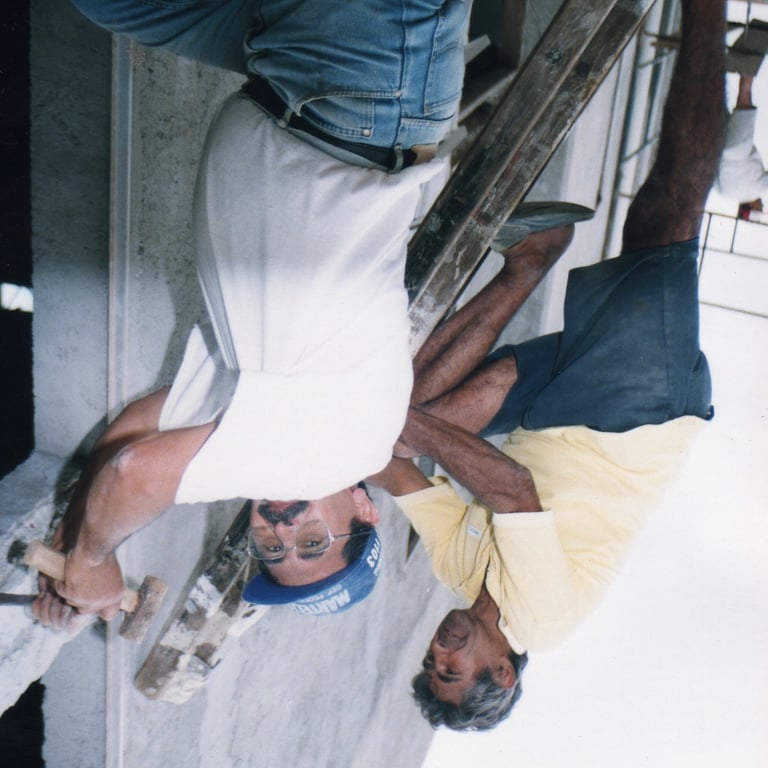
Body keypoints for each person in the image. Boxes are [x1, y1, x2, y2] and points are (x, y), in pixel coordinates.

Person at [33, 0, 472, 629]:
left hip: (291, 75)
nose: (282, 530)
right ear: (363, 508)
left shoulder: (281, 419)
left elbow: (138, 430)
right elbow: (134, 473)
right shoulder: (327, 454)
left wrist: (72, 542)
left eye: (271, 549)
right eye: (313, 542)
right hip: (365, 78)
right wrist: (91, 561)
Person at [369, 0, 726, 731]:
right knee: (664, 217)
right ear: (501, 670)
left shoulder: (459, 573)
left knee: (395, 427)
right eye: (451, 670)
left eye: (430, 663)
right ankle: (708, 13)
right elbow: (511, 488)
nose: (439, 651)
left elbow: (392, 470)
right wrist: (389, 423)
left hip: (550, 413)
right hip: (634, 418)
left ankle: (533, 256)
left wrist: (309, 459)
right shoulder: (542, 618)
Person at [716, 71, 767, 221]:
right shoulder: (723, 193)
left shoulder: (758, 189)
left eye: (760, 208)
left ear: (752, 207)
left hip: (739, 147)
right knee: (717, 103)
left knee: (744, 98)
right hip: (718, 147)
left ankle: (747, 66)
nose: (762, 205)